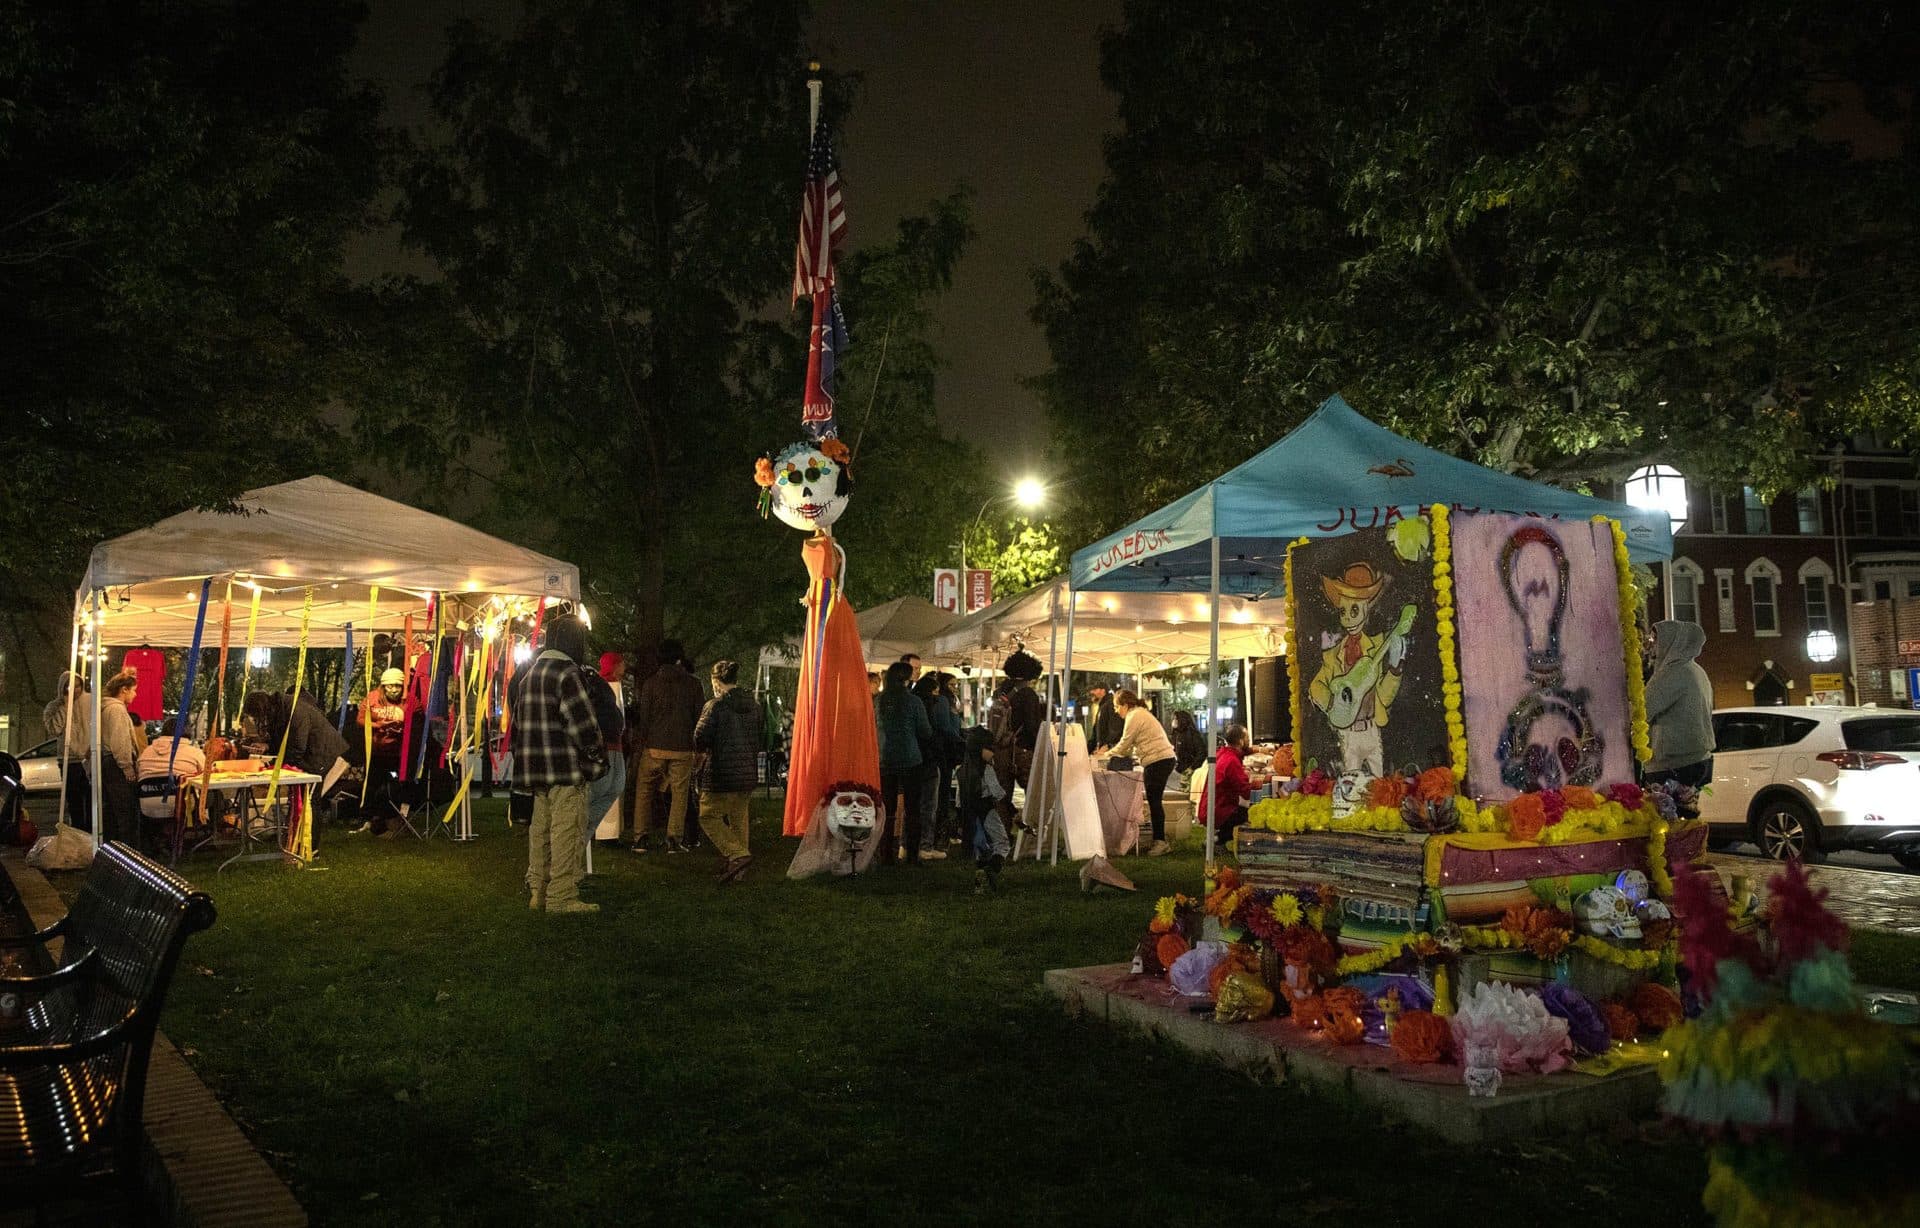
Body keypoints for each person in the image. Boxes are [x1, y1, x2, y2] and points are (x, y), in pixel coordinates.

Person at [510, 614, 606, 913]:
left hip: (536, 769)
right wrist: (596, 755)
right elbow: (582, 725)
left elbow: (517, 724)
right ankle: (562, 895)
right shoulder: (566, 673)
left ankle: (538, 889)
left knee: (540, 830)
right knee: (567, 829)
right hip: (565, 767)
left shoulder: (529, 675)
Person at [630, 639, 704, 853]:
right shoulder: (693, 684)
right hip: (682, 746)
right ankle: (673, 839)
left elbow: (644, 717)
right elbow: (698, 716)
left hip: (654, 746)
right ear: (679, 658)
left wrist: (644, 741)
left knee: (644, 790)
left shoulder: (651, 683)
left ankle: (641, 837)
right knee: (680, 794)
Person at [694, 659, 762, 883]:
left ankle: (737, 854)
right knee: (738, 818)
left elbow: (700, 738)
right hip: (747, 773)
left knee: (708, 815)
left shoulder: (715, 706)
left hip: (721, 773)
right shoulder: (754, 706)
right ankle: (738, 871)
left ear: (716, 681)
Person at [875, 660, 934, 864]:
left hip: (885, 759)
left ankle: (886, 854)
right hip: (911, 758)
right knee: (913, 807)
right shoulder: (913, 702)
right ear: (906, 680)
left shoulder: (879, 701)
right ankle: (912, 854)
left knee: (887, 808)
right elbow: (925, 731)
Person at [1644, 619, 1715, 789]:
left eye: (1655, 640)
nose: (1650, 645)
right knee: (1687, 812)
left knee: (1663, 812)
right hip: (1697, 759)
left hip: (1674, 764)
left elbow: (1642, 709)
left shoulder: (1673, 672)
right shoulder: (1696, 670)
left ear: (1670, 641)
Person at [241, 689, 351, 796]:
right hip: (314, 754)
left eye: (256, 718)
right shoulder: (280, 710)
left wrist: (276, 766)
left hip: (325, 754)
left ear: (262, 710)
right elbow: (284, 740)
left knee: (309, 799)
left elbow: (297, 746)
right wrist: (268, 746)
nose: (257, 722)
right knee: (304, 798)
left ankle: (311, 814)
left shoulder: (294, 711)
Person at [1109, 689, 1178, 856]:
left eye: (1117, 706)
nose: (1116, 711)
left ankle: (1160, 842)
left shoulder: (1134, 716)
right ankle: (1159, 840)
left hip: (1158, 760)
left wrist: (1106, 754)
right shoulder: (1140, 713)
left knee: (1154, 802)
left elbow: (1125, 743)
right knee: (1154, 801)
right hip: (1162, 759)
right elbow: (1130, 746)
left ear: (1125, 705)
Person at [988, 649, 1046, 831]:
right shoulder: (1028, 694)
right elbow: (1032, 726)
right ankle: (1032, 830)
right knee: (1035, 792)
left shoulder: (999, 692)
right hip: (1021, 750)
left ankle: (1001, 837)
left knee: (1002, 796)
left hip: (1000, 749)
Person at [582, 652, 628, 858]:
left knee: (614, 787)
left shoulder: (603, 687)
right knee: (602, 788)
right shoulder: (600, 685)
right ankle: (578, 833)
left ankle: (581, 832)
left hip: (613, 743)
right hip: (605, 744)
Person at [137, 718, 207, 845]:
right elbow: (207, 776)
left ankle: (161, 836)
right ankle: (209, 835)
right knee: (213, 796)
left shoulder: (146, 751)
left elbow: (138, 773)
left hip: (147, 805)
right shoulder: (194, 752)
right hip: (181, 804)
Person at [912, 673, 958, 861]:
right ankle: (926, 846)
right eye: (936, 690)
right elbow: (933, 730)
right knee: (930, 804)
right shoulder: (932, 705)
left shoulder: (913, 702)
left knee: (913, 804)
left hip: (914, 759)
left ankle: (907, 846)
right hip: (930, 758)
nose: (938, 694)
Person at [959, 724, 1008, 893]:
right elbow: (997, 792)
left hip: (971, 815)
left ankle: (979, 884)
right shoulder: (986, 769)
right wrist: (1011, 809)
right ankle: (992, 871)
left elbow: (959, 800)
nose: (993, 752)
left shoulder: (963, 770)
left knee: (981, 849)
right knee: (1002, 843)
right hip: (987, 810)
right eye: (990, 748)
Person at [97, 669, 143, 843]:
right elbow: (120, 740)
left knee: (112, 811)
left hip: (108, 761)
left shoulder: (103, 708)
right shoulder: (116, 710)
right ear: (124, 689)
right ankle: (128, 849)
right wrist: (127, 767)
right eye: (133, 690)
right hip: (116, 764)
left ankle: (114, 847)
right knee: (125, 810)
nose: (135, 694)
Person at [42, 671, 91, 823]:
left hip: (90, 756)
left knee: (91, 799)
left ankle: (90, 832)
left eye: (78, 686)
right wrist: (65, 706)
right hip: (69, 760)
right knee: (74, 800)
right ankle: (77, 831)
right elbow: (55, 730)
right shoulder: (54, 706)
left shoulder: (90, 701)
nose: (75, 690)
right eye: (69, 687)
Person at [1197, 723, 1253, 839]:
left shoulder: (1222, 753)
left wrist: (1261, 749)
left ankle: (1220, 837)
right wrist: (1256, 781)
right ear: (1241, 741)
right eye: (1247, 738)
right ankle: (1221, 839)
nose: (1248, 741)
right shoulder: (1232, 761)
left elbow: (1245, 751)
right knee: (1253, 812)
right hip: (1220, 810)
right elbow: (1246, 792)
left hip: (1209, 808)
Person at [1167, 708, 1207, 776]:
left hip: (1190, 770)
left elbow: (1201, 753)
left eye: (1176, 719)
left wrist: (1192, 767)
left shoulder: (1192, 734)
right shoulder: (1176, 733)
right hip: (1180, 770)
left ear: (1182, 720)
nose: (1174, 721)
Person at [1085, 682, 1125, 750]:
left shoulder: (1111, 704)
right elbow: (1097, 729)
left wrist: (1108, 745)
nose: (1092, 692)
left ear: (1103, 690)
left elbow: (1115, 727)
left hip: (1110, 749)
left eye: (1095, 690)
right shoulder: (1102, 705)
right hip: (1104, 748)